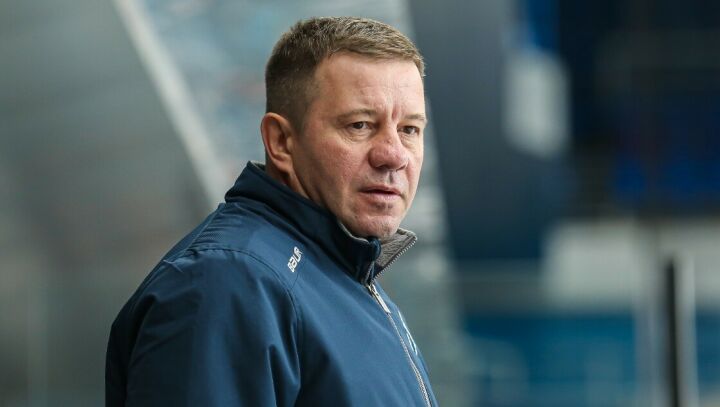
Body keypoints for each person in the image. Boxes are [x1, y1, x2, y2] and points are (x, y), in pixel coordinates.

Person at [106, 16, 437, 406]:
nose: (394, 155)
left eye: (410, 129)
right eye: (360, 125)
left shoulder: (346, 277)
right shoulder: (228, 282)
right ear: (280, 142)